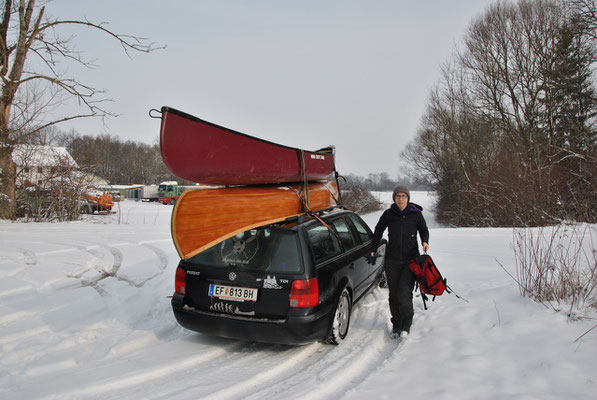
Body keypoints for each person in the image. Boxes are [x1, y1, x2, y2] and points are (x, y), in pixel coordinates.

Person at [369, 185, 429, 339]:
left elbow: (424, 229)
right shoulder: (389, 214)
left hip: (411, 261)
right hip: (392, 260)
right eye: (398, 196)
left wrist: (425, 241)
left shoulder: (416, 214)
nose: (400, 199)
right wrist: (373, 249)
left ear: (408, 198)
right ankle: (396, 325)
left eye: (403, 196)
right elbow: (378, 230)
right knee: (394, 295)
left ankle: (406, 325)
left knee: (404, 294)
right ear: (394, 199)